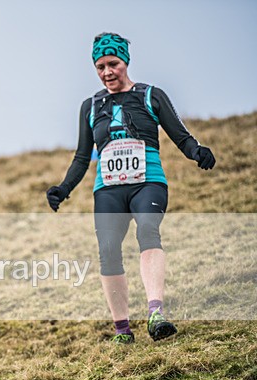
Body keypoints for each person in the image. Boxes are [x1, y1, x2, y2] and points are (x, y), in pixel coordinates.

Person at [46, 33, 216, 344]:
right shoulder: (90, 105)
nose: (107, 72)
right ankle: (122, 330)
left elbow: (180, 136)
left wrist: (197, 152)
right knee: (108, 251)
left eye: (113, 64)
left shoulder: (152, 95)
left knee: (147, 230)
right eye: (100, 66)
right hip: (108, 190)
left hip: (147, 182)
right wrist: (63, 189)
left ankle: (156, 313)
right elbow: (83, 156)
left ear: (126, 62)